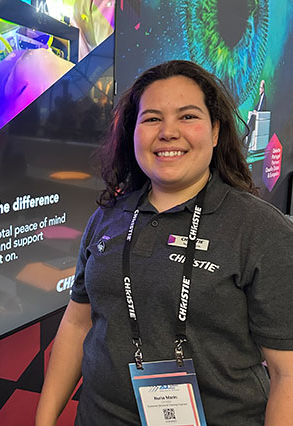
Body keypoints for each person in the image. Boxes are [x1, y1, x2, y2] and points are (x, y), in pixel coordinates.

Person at [36, 60, 293, 426]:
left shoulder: (260, 229)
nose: (168, 132)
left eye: (188, 116)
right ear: (134, 132)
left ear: (216, 131)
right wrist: (44, 419)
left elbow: (288, 373)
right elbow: (76, 325)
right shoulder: (107, 218)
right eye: (152, 118)